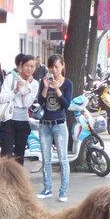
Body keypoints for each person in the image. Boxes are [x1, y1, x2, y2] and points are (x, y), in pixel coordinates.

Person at [37, 54, 73, 202]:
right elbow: (40, 101)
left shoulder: (67, 83)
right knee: (46, 159)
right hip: (45, 124)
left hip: (59, 124)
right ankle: (47, 189)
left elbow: (66, 105)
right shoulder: (44, 81)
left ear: (62, 66)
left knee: (63, 159)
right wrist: (45, 87)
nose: (54, 70)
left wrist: (57, 89)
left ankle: (63, 191)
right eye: (52, 67)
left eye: (57, 67)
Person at [0, 55, 38, 164]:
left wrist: (27, 86)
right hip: (8, 120)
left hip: (23, 121)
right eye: (27, 66)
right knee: (6, 155)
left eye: (32, 66)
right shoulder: (11, 78)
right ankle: (5, 180)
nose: (29, 69)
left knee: (19, 156)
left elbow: (26, 103)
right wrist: (15, 90)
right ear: (21, 66)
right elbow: (2, 98)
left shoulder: (34, 84)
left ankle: (17, 180)